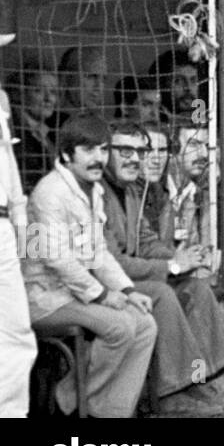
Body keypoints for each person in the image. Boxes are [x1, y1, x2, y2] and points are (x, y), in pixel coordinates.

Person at [22, 114, 158, 418]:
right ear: (67, 155)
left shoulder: (92, 191)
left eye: (104, 149)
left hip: (73, 293)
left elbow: (100, 253)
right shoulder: (50, 192)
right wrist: (101, 295)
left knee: (144, 323)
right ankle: (70, 398)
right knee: (120, 326)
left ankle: (113, 411)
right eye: (89, 150)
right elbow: (57, 259)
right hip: (43, 297)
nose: (99, 158)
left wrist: (126, 290)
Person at [101, 121, 224, 415]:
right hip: (104, 284)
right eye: (125, 150)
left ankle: (203, 383)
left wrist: (186, 256)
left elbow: (145, 240)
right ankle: (171, 394)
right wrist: (173, 265)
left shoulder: (129, 191)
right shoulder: (99, 193)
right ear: (105, 152)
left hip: (128, 278)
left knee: (196, 288)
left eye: (141, 151)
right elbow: (111, 261)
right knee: (162, 293)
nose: (136, 158)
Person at [0, 44, 37, 418]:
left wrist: (21, 234)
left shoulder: (0, 103)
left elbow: (10, 177)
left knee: (16, 335)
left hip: (1, 226)